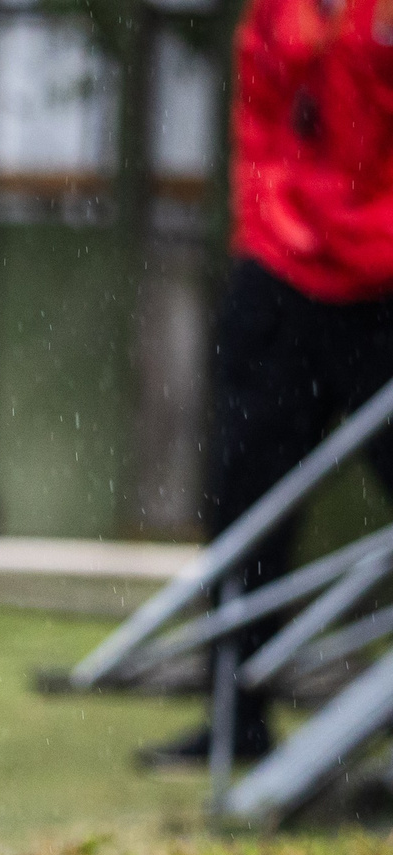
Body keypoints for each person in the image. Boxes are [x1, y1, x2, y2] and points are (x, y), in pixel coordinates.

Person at [140, 0, 393, 768]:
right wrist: (272, 225)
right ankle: (234, 716)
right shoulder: (276, 14)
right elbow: (261, 118)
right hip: (281, 271)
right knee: (245, 498)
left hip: (382, 281)